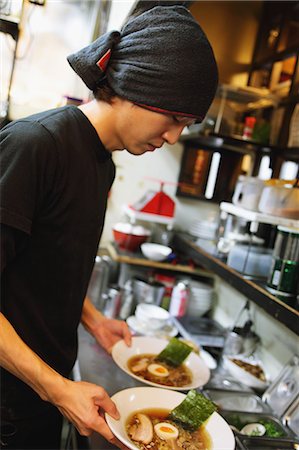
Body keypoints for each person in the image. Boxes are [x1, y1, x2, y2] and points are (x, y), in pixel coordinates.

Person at [0, 4, 218, 450]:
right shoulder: (34, 146)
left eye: (186, 125)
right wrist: (57, 388)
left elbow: (47, 264)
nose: (174, 137)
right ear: (136, 88)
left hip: (42, 391)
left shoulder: (102, 163)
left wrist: (95, 321)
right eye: (174, 119)